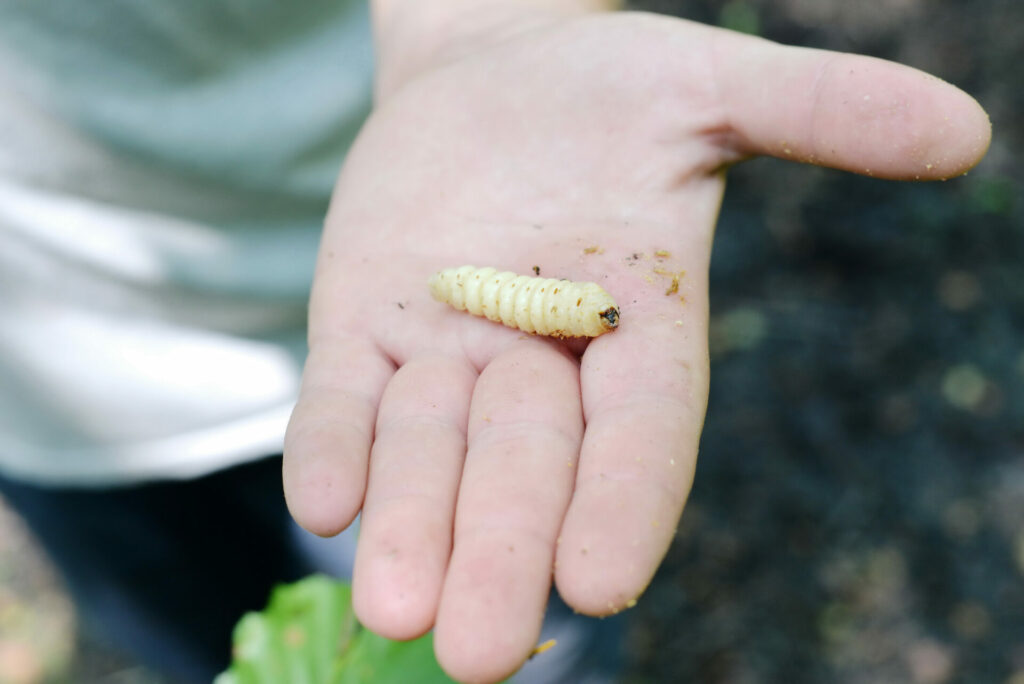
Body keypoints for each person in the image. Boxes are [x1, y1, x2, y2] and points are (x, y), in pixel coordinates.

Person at [0, 1, 990, 682]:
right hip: (46, 393)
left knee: (494, 606)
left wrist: (494, 22)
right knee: (199, 627)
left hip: (406, 151)